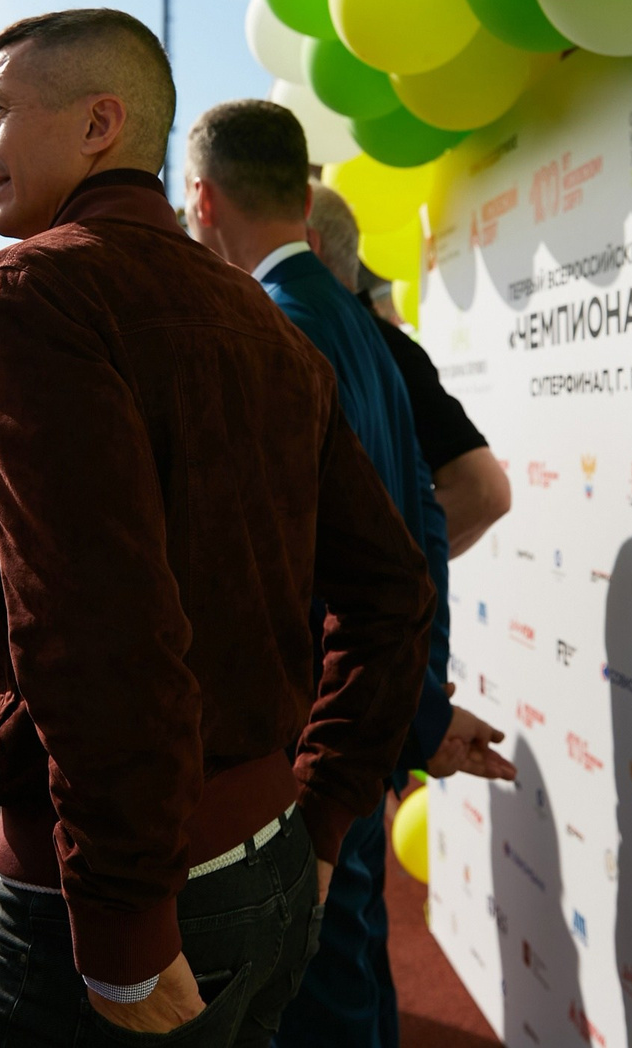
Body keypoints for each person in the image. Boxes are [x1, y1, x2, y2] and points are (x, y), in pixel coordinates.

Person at [0, 8, 437, 1047]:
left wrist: (123, 925)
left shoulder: (31, 288)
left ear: (99, 124)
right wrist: (324, 814)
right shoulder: (258, 314)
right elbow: (383, 587)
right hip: (268, 860)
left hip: (119, 904)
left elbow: (99, 624)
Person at [184, 101, 516, 1048]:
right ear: (303, 197)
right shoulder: (364, 329)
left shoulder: (270, 330)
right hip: (353, 728)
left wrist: (403, 712)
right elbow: (413, 540)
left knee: (313, 996)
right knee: (349, 977)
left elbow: (323, 561)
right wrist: (412, 708)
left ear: (202, 200)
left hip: (304, 741)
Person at [307, 187, 511, 558]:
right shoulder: (363, 341)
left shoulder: (385, 348)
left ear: (310, 244)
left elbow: (485, 491)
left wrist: (379, 569)